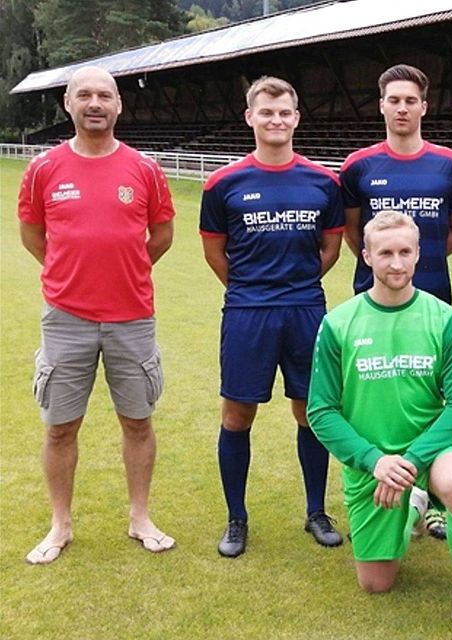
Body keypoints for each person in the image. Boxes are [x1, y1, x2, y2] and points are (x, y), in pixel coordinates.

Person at [18, 66, 176, 564]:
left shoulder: (145, 169)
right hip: (66, 318)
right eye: (83, 95)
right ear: (68, 104)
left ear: (118, 105)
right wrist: (72, 273)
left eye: (104, 95)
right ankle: (60, 525)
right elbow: (32, 234)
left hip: (132, 316)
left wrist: (123, 269)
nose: (94, 103)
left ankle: (140, 517)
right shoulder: (44, 168)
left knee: (137, 422)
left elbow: (163, 234)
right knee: (60, 427)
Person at [307, 211, 452, 640]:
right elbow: (321, 411)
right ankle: (415, 505)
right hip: (373, 464)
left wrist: (409, 461)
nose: (395, 263)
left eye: (405, 252)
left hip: (427, 452)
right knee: (376, 584)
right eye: (385, 252)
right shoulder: (338, 323)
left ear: (418, 254)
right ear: (366, 255)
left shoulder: (443, 318)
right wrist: (375, 461)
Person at [200, 76, 344, 557]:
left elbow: (331, 248)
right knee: (238, 414)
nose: (276, 120)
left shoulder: (323, 182)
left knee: (311, 412)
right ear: (251, 118)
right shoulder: (223, 184)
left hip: (306, 309)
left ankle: (316, 511)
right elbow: (216, 252)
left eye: (284, 112)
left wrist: (295, 283)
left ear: (296, 118)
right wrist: (252, 289)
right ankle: (236, 518)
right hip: (247, 311)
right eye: (267, 112)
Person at [340, 63, 452, 537]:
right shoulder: (359, 166)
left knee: (434, 398)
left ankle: (434, 498)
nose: (402, 108)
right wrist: (387, 268)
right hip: (373, 300)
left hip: (432, 295)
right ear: (381, 105)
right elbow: (356, 233)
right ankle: (382, 485)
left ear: (423, 105)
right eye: (393, 100)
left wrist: (417, 261)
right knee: (378, 396)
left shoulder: (449, 165)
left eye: (410, 100)